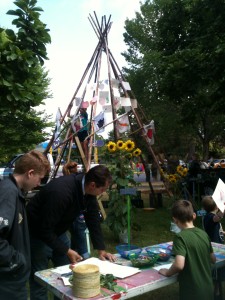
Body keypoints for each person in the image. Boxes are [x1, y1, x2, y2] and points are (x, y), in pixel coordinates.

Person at [27, 165, 115, 300]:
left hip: (58, 231)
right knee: (40, 279)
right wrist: (67, 250)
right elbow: (44, 229)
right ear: (92, 185)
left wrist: (100, 249)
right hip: (37, 234)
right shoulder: (61, 193)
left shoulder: (88, 191)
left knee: (66, 277)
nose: (103, 193)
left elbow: (93, 220)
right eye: (102, 189)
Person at [0, 150, 50, 300]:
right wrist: (16, 261)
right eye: (39, 178)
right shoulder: (8, 192)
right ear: (30, 173)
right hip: (8, 281)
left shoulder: (16, 191)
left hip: (12, 278)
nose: (38, 184)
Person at [159, 199, 216, 300]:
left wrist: (167, 272)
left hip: (192, 292)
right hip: (208, 289)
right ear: (194, 216)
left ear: (175, 220)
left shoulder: (180, 237)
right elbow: (213, 259)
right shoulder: (204, 234)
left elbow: (179, 265)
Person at [62, 161, 89, 259]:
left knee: (75, 234)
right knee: (80, 234)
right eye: (76, 168)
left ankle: (74, 252)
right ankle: (85, 255)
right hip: (78, 214)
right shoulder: (76, 181)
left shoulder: (65, 181)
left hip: (71, 215)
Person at [202, 196, 225, 298]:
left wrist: (222, 232)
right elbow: (217, 218)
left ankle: (218, 290)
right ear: (216, 206)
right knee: (215, 273)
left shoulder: (210, 216)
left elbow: (216, 227)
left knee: (219, 272)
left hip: (219, 249)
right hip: (213, 249)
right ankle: (215, 293)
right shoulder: (209, 217)